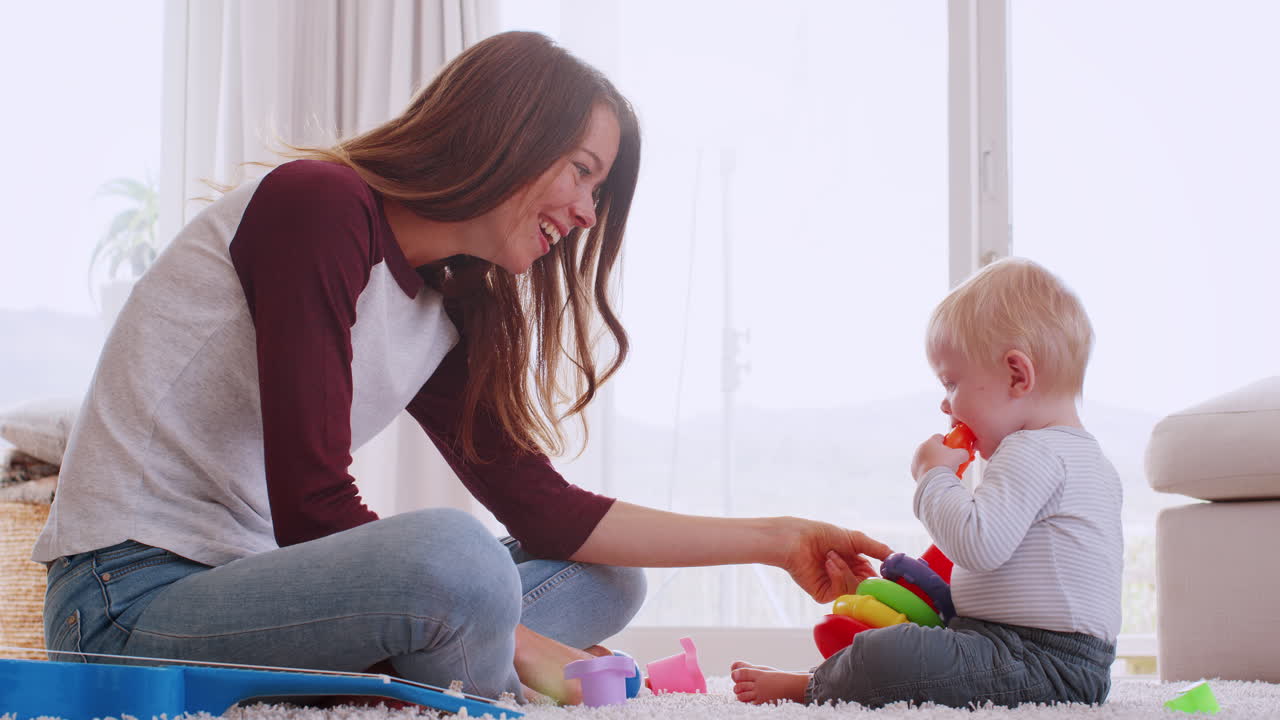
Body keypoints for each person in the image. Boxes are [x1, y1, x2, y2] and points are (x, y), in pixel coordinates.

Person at [33, 31, 891, 705]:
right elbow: (311, 508)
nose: (588, 214)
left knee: (604, 576)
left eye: (600, 193)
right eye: (584, 174)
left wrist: (777, 541)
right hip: (130, 601)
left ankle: (424, 665)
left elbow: (550, 514)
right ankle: (475, 662)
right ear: (510, 133)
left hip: (262, 591)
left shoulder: (449, 304)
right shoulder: (319, 207)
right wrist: (518, 634)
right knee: (453, 555)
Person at [732, 257, 1122, 709]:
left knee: (892, 656)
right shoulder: (1086, 457)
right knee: (911, 645)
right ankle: (833, 676)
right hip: (1054, 657)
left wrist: (933, 476)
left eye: (952, 383)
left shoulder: (1033, 450)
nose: (945, 404)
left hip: (1038, 660)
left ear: (1017, 375)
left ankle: (810, 687)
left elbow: (977, 543)